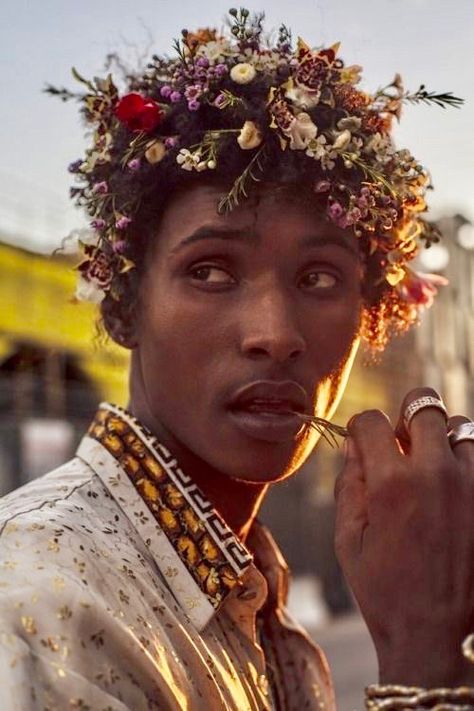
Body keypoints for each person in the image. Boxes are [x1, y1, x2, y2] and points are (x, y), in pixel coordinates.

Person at [1, 8, 473, 710]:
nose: (275, 334)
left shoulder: (244, 582)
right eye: (211, 271)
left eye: (319, 278)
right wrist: (423, 659)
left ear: (370, 315)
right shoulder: (42, 602)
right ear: (123, 304)